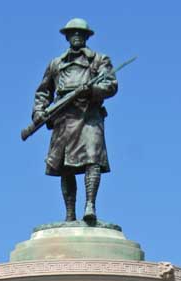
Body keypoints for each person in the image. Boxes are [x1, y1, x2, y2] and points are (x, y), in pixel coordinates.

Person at [31, 18, 117, 223]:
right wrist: (39, 111)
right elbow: (43, 91)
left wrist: (92, 90)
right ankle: (70, 213)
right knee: (65, 166)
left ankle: (90, 205)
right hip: (64, 117)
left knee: (93, 160)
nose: (77, 36)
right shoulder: (56, 64)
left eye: (81, 33)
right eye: (73, 33)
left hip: (89, 116)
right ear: (67, 37)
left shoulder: (98, 59)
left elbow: (111, 84)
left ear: (87, 36)